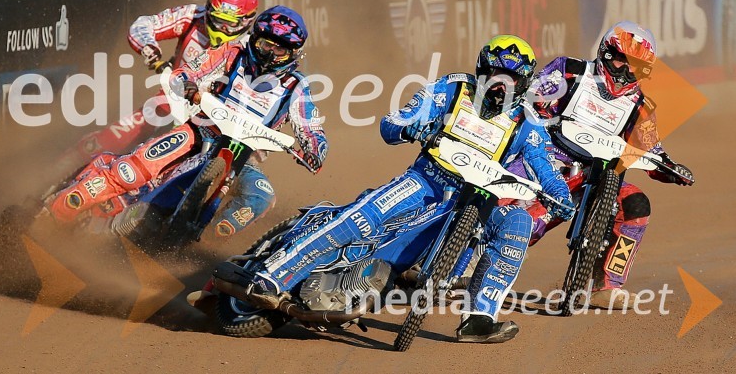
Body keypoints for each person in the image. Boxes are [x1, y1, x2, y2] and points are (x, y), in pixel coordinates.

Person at [246, 35, 574, 343]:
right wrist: (410, 127)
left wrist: (561, 197)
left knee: (518, 222)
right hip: (425, 181)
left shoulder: (528, 123)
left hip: (476, 205)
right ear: (481, 72)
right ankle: (274, 275)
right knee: (361, 219)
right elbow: (396, 120)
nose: (501, 86)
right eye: (494, 76)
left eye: (511, 79)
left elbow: (545, 167)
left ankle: (479, 318)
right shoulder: (453, 88)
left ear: (524, 83)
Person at [49, 6, 327, 239]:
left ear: (293, 54)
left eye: (279, 51)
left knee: (262, 196)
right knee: (132, 170)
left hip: (244, 158)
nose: (269, 55)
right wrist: (189, 85)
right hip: (200, 133)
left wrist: (314, 150)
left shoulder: (297, 86)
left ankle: (210, 241)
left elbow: (311, 128)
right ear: (254, 40)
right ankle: (62, 207)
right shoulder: (232, 53)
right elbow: (188, 71)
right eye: (265, 45)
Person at [522, 21, 694, 309]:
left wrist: (671, 169)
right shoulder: (570, 70)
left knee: (636, 205)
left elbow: (650, 149)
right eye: (620, 60)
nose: (625, 71)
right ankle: (471, 258)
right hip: (543, 160)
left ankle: (606, 285)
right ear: (605, 52)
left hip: (594, 176)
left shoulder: (641, 106)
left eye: (635, 66)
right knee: (519, 216)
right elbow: (529, 101)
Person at [68, 0, 259, 165]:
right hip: (168, 102)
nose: (221, 28)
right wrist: (149, 49)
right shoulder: (193, 16)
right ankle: (63, 167)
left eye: (229, 23)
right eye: (217, 20)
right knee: (109, 138)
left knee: (237, 163)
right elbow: (142, 25)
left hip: (214, 119)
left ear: (246, 21)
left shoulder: (254, 47)